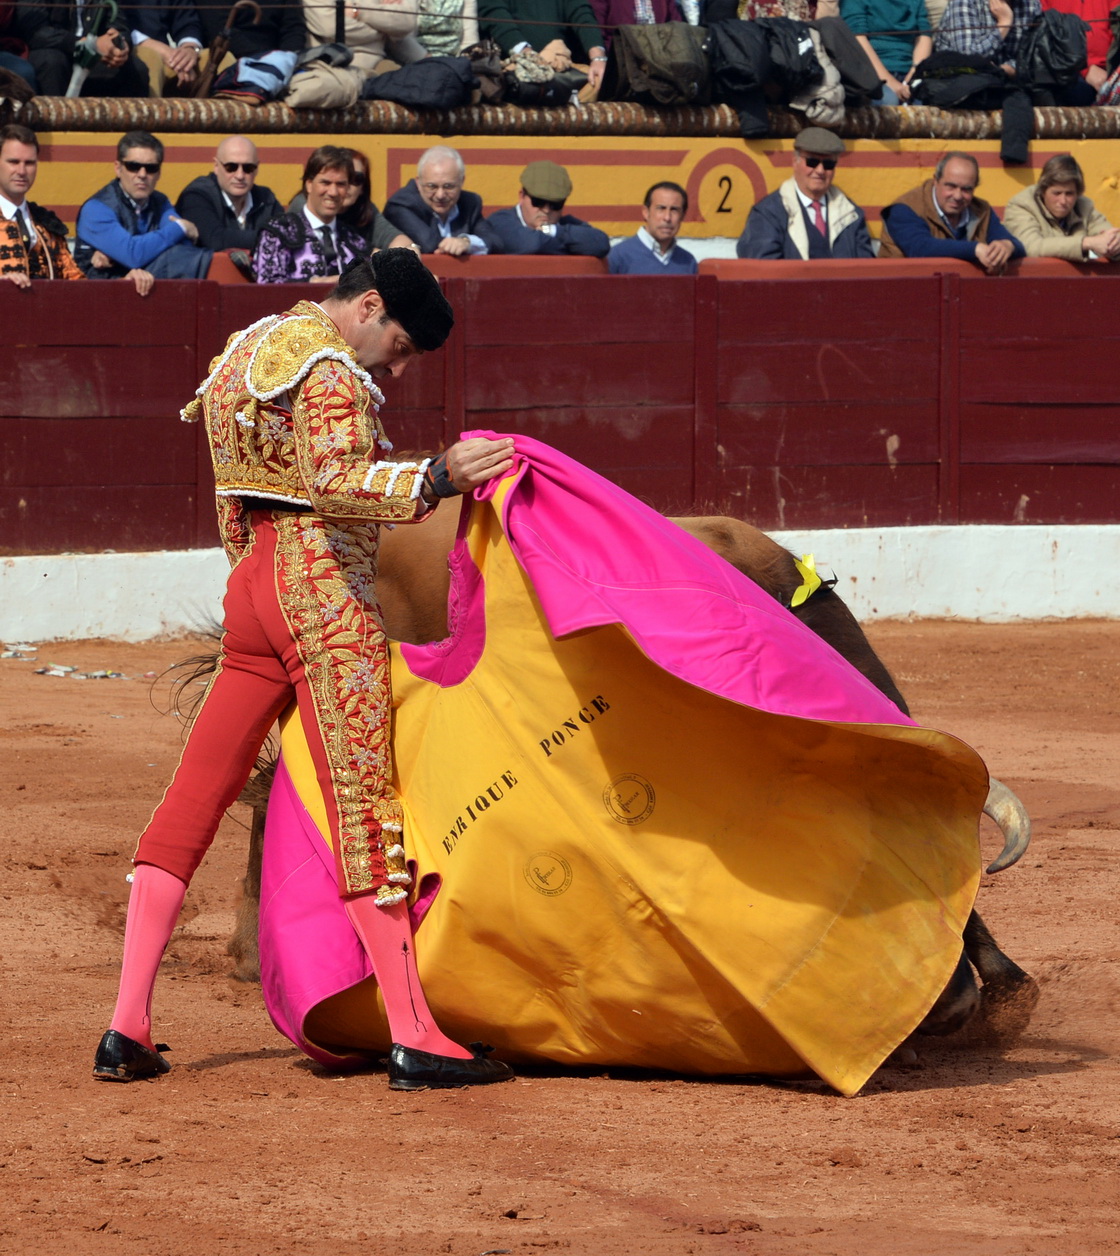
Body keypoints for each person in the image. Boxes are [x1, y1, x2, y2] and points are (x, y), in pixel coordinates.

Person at [92, 249, 517, 1092]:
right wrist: (435, 476)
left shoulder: (245, 350)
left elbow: (232, 492)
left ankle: (126, 1025)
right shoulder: (328, 368)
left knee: (192, 799)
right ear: (368, 305)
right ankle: (414, 1033)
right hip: (322, 594)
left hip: (252, 584)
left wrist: (255, 582)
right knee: (364, 803)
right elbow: (334, 480)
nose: (398, 367)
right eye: (400, 345)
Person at [74, 130, 210, 280]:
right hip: (98, 291)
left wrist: (116, 256)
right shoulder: (96, 209)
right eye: (133, 166)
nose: (142, 174)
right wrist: (181, 227)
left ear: (159, 173)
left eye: (151, 168)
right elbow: (133, 255)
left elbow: (183, 249)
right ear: (118, 168)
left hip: (148, 287)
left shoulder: (160, 202)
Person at [736, 128, 874, 260]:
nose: (820, 171)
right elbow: (764, 270)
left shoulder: (851, 214)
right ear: (794, 162)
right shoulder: (768, 214)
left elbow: (866, 269)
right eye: (812, 162)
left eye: (828, 164)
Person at [878, 150, 1025, 274]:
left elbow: (1018, 246)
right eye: (951, 186)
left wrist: (1007, 246)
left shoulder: (981, 210)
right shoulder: (904, 209)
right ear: (936, 181)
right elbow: (920, 248)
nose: (958, 196)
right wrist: (975, 249)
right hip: (903, 290)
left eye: (966, 189)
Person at [254, 146, 377, 283]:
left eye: (340, 184)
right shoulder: (278, 232)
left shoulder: (353, 239)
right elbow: (268, 287)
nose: (333, 192)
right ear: (309, 184)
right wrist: (315, 284)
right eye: (325, 183)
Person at [383, 145, 503, 257]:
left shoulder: (470, 203)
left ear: (461, 182)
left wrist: (466, 242)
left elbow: (496, 242)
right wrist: (455, 245)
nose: (440, 195)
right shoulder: (400, 205)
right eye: (432, 186)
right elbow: (429, 244)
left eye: (448, 186)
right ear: (418, 183)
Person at [1003, 152, 1120, 262]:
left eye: (1069, 194)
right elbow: (1030, 247)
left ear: (1078, 194)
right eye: (1057, 193)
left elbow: (1106, 237)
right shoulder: (1021, 205)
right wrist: (1086, 243)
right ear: (1043, 191)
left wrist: (1114, 244)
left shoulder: (1084, 206)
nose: (1063, 201)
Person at [17, 0, 150, 96]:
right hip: (55, 51)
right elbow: (36, 33)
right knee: (52, 61)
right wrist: (88, 44)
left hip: (94, 57)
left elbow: (119, 26)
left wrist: (120, 46)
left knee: (137, 69)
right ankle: (56, 125)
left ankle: (128, 127)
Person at [175, 136, 283, 253]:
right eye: (231, 167)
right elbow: (215, 240)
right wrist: (271, 238)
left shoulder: (266, 199)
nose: (240, 175)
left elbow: (288, 234)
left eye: (248, 168)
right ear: (216, 166)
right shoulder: (197, 196)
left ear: (256, 169)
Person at [486, 161, 609, 258]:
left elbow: (600, 243)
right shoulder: (500, 222)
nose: (546, 210)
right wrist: (575, 246)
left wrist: (550, 230)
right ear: (522, 196)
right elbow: (532, 245)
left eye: (555, 204)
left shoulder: (564, 224)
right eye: (538, 202)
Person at [479, 0, 608, 92]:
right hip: (514, 71)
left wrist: (598, 57)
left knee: (597, 80)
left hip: (561, 68)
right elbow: (495, 16)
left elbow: (582, 13)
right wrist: (528, 55)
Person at [195, 0, 304, 103]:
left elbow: (293, 28)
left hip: (279, 61)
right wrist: (265, 60)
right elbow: (219, 28)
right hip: (234, 59)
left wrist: (286, 60)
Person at [839, 0, 931, 104]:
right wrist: (891, 83)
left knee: (924, 100)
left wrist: (914, 73)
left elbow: (924, 35)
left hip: (909, 71)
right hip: (871, 73)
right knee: (888, 100)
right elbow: (856, 39)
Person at [607, 181, 698, 275]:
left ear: (683, 216)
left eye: (674, 210)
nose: (667, 217)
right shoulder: (618, 257)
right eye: (661, 208)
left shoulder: (688, 262)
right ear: (646, 212)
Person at [124, 0, 204, 95]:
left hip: (171, 57)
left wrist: (189, 48)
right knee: (151, 58)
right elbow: (115, 21)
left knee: (215, 59)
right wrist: (160, 49)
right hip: (128, 48)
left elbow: (186, 20)